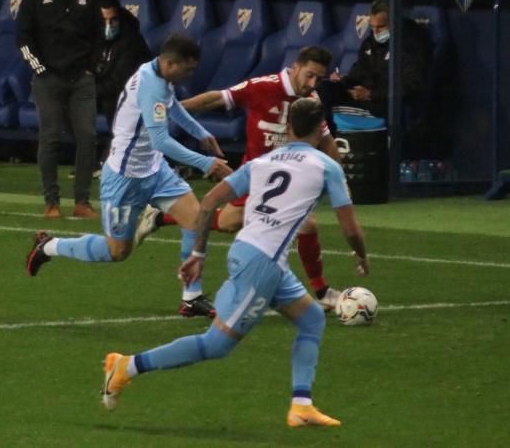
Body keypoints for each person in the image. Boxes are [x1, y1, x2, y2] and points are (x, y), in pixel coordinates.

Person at [100, 98, 369, 428]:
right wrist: (360, 254)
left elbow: (210, 201)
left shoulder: (264, 161)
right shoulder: (327, 166)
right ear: (322, 127)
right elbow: (351, 227)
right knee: (215, 345)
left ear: (288, 128)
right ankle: (127, 366)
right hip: (263, 264)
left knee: (312, 318)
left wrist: (197, 254)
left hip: (252, 253)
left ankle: (301, 405)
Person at [26, 35, 232, 318]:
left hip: (155, 170)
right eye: (187, 68)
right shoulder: (151, 84)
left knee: (197, 222)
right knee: (117, 252)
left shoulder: (157, 72)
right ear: (170, 63)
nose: (189, 74)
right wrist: (206, 163)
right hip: (125, 178)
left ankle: (191, 297)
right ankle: (48, 246)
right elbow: (161, 140)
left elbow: (173, 107)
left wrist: (202, 134)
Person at [136, 46, 345, 310]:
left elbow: (325, 140)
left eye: (318, 79)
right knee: (234, 223)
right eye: (309, 75)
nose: (312, 84)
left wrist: (339, 174)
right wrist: (171, 109)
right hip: (255, 175)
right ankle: (322, 292)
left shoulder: (311, 102)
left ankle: (158, 217)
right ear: (296, 67)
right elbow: (217, 99)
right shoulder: (262, 86)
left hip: (285, 180)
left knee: (233, 223)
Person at [17, 0, 101, 219]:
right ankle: (52, 202)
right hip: (48, 78)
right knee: (50, 138)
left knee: (87, 137)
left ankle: (82, 201)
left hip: (81, 78)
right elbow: (23, 38)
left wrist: (92, 67)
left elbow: (98, 36)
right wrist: (39, 69)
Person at [323, 0, 431, 122]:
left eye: (380, 26)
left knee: (333, 111)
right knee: (325, 90)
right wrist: (343, 81)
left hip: (386, 103)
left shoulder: (410, 45)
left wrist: (371, 94)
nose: (375, 32)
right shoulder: (370, 42)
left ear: (394, 22)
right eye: (372, 26)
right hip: (364, 97)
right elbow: (360, 70)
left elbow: (412, 86)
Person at [94, 0, 151, 126]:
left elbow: (119, 81)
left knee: (112, 100)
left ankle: (117, 144)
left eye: (113, 20)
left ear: (120, 18)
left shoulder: (131, 41)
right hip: (105, 89)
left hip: (134, 92)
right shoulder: (95, 37)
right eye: (104, 21)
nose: (108, 25)